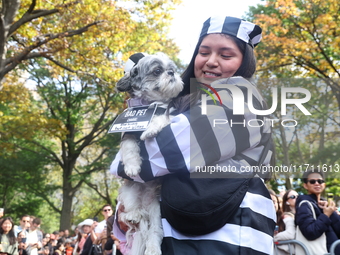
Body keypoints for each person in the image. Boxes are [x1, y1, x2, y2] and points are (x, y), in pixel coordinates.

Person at [110, 15, 276, 254]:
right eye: (204, 52)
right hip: (175, 234)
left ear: (244, 63)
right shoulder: (184, 103)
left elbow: (162, 154)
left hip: (226, 237)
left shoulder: (243, 99)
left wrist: (127, 155)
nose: (211, 61)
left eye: (226, 55)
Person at [295, 170, 340, 255]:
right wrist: (326, 215)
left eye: (320, 181)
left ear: (324, 184)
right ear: (305, 185)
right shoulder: (304, 204)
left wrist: (331, 212)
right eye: (312, 181)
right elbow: (310, 232)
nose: (317, 183)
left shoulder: (323, 204)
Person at [274, 190, 297, 255]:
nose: (297, 198)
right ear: (287, 201)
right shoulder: (284, 216)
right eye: (293, 197)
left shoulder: (301, 213)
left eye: (298, 196)